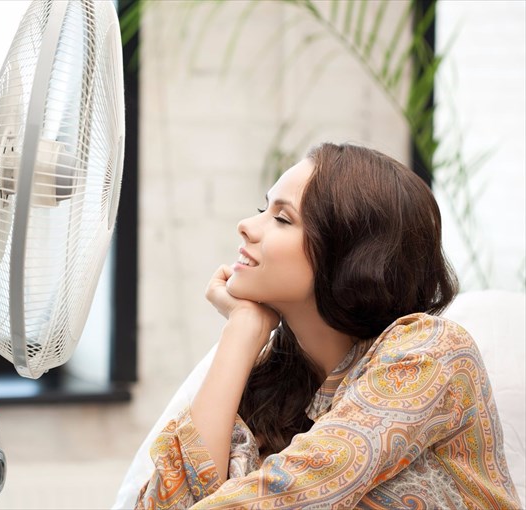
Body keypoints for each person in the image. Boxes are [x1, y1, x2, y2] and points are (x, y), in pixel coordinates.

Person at [134, 143, 520, 509]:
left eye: (282, 218)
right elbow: (165, 501)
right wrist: (242, 329)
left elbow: (294, 494)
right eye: (263, 208)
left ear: (351, 255)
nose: (246, 226)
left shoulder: (430, 353)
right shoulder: (274, 385)